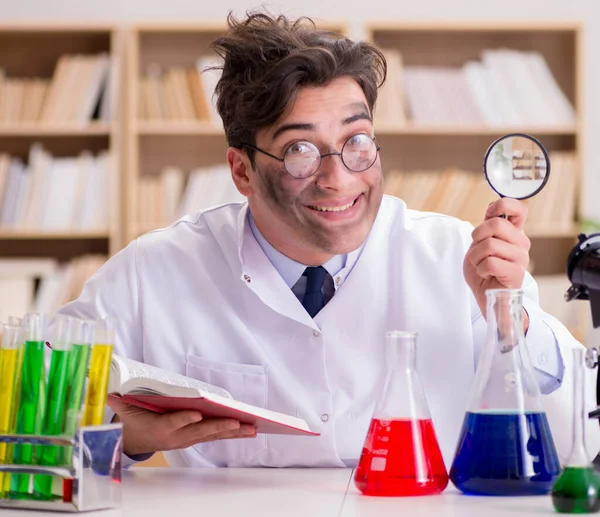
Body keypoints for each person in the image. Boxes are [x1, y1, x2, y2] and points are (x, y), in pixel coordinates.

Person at [57, 11, 598, 468]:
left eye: (357, 141)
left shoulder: (462, 258)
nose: (338, 178)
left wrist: (513, 322)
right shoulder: (154, 270)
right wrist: (124, 439)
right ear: (242, 171)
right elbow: (33, 413)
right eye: (300, 151)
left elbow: (580, 435)